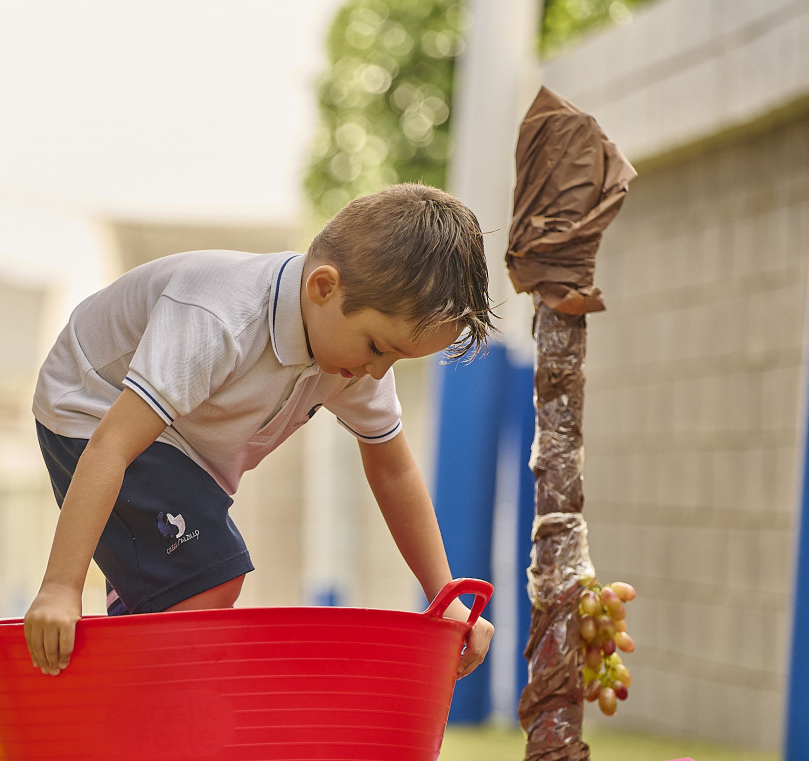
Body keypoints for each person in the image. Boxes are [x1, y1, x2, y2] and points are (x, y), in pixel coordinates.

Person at [25, 182, 494, 677]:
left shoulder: (354, 356)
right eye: (379, 347)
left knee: (191, 580)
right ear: (323, 287)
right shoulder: (221, 319)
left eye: (398, 357)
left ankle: (143, 694)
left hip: (180, 446)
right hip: (90, 407)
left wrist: (448, 599)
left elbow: (394, 472)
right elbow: (112, 444)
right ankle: (142, 703)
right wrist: (60, 587)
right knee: (209, 576)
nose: (379, 373)